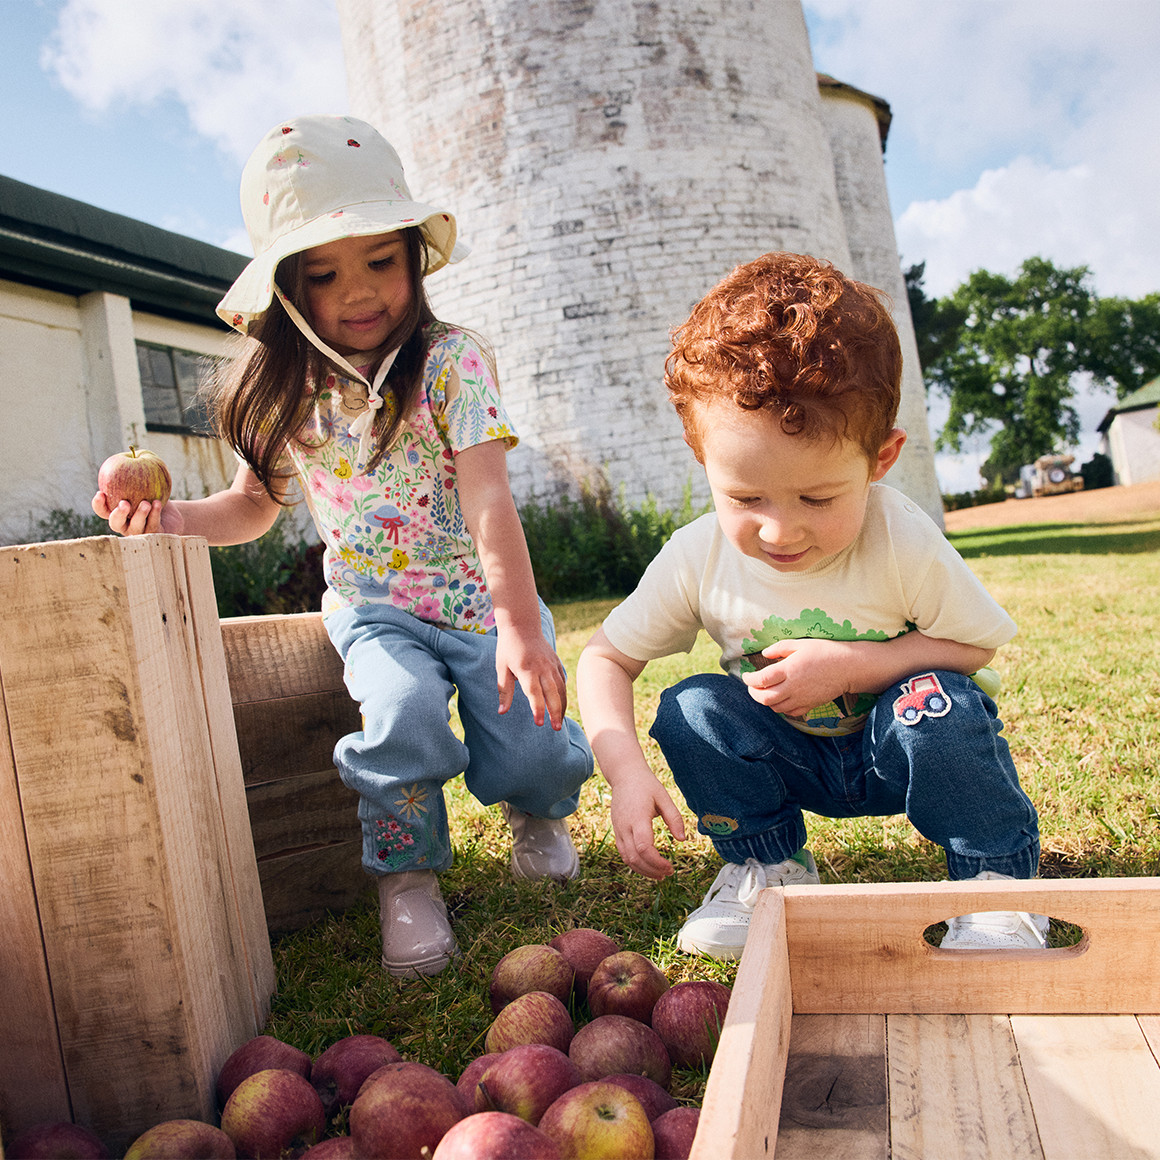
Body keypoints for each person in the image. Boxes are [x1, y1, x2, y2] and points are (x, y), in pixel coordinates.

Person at [93, 114, 593, 977]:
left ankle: (537, 815)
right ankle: (407, 882)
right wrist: (176, 521)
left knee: (536, 743)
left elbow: (488, 498)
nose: (359, 292)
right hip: (376, 610)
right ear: (288, 291)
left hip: (481, 601)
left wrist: (517, 620)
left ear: (413, 256)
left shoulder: (451, 362)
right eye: (325, 274)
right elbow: (254, 506)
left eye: (379, 262)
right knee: (399, 720)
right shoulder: (285, 390)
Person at [576, 251, 1045, 961]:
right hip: (786, 754)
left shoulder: (899, 535)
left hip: (900, 744)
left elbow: (974, 647)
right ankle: (768, 868)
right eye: (745, 497)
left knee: (939, 704)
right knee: (691, 709)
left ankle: (996, 885)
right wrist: (625, 769)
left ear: (880, 460)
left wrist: (857, 665)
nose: (779, 529)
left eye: (818, 499)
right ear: (700, 453)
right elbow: (607, 656)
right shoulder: (697, 555)